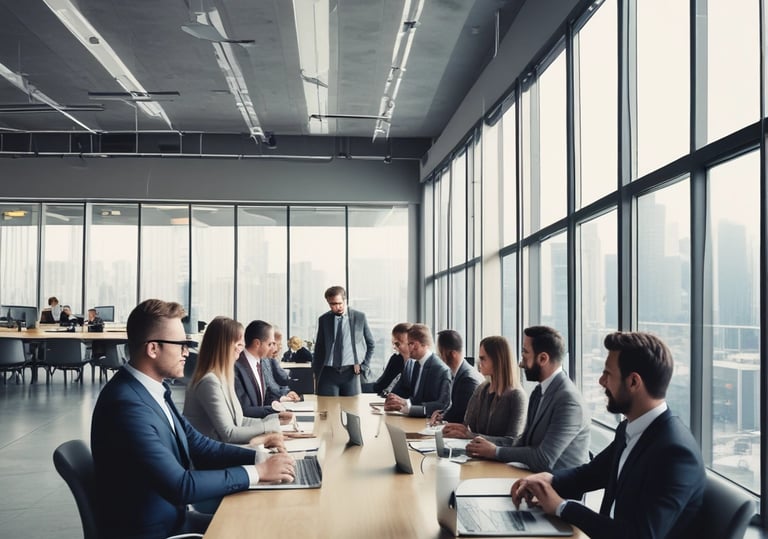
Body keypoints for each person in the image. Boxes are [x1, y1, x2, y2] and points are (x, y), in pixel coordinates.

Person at [90, 299, 295, 538]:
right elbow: (180, 485)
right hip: (160, 531)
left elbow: (200, 445)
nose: (187, 352)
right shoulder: (126, 405)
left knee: (265, 523)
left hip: (172, 519)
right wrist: (258, 472)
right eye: (181, 344)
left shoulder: (152, 390)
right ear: (153, 348)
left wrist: (260, 456)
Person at [510, 331, 705, 539]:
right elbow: (590, 474)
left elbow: (640, 536)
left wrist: (562, 507)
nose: (601, 381)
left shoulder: (674, 453)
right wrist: (547, 481)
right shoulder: (630, 429)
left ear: (633, 382)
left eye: (608, 374)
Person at [465, 325, 590, 472]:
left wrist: (495, 451)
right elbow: (523, 442)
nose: (520, 362)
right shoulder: (538, 391)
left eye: (525, 352)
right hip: (530, 478)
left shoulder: (569, 401)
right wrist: (487, 449)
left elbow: (544, 459)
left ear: (543, 358)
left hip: (557, 489)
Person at [183, 316, 283, 444]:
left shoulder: (223, 377)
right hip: (213, 459)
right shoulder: (210, 382)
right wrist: (270, 427)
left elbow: (240, 421)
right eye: (239, 343)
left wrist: (275, 420)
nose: (242, 348)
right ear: (224, 346)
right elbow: (229, 434)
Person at [441, 335, 527, 440]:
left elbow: (513, 441)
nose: (479, 362)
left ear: (497, 360)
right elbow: (467, 424)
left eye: (483, 358)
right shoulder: (482, 389)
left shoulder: (517, 396)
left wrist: (471, 436)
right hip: (475, 453)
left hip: (497, 456)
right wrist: (457, 429)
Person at [312, 285, 375, 396]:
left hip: (351, 373)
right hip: (328, 373)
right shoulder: (324, 319)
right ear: (328, 303)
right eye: (333, 304)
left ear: (345, 300)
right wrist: (316, 372)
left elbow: (371, 344)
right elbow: (319, 348)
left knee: (351, 410)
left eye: (340, 303)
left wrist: (363, 365)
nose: (337, 307)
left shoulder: (359, 317)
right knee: (327, 411)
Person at [384, 323, 451, 417]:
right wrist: (402, 402)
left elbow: (442, 405)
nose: (409, 348)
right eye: (408, 344)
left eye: (411, 343)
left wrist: (409, 407)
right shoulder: (416, 364)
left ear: (424, 344)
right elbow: (417, 398)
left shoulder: (440, 369)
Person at [233, 320, 293, 423]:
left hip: (261, 424)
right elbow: (244, 409)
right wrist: (275, 410)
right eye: (270, 344)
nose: (273, 348)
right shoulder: (237, 367)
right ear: (257, 343)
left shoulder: (260, 362)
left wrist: (276, 402)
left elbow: (262, 399)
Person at [428, 329, 484, 425]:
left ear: (452, 354)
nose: (438, 358)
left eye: (439, 354)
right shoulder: (458, 373)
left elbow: (460, 415)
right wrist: (442, 414)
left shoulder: (468, 379)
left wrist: (442, 417)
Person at [373, 322, 411, 396]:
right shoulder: (396, 360)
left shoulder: (419, 365)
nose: (394, 347)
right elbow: (379, 386)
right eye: (393, 344)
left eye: (397, 344)